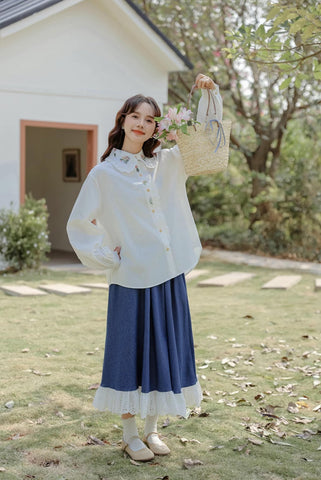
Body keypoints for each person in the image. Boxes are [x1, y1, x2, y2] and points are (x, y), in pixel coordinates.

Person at [67, 73, 222, 462]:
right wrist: (108, 255)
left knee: (162, 352)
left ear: (157, 127)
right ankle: (130, 434)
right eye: (135, 116)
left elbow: (206, 140)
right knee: (128, 354)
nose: (141, 124)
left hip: (168, 275)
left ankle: (152, 431)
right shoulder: (103, 174)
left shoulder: (167, 163)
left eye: (150, 119)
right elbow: (79, 223)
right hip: (132, 278)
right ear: (122, 121)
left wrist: (208, 95)